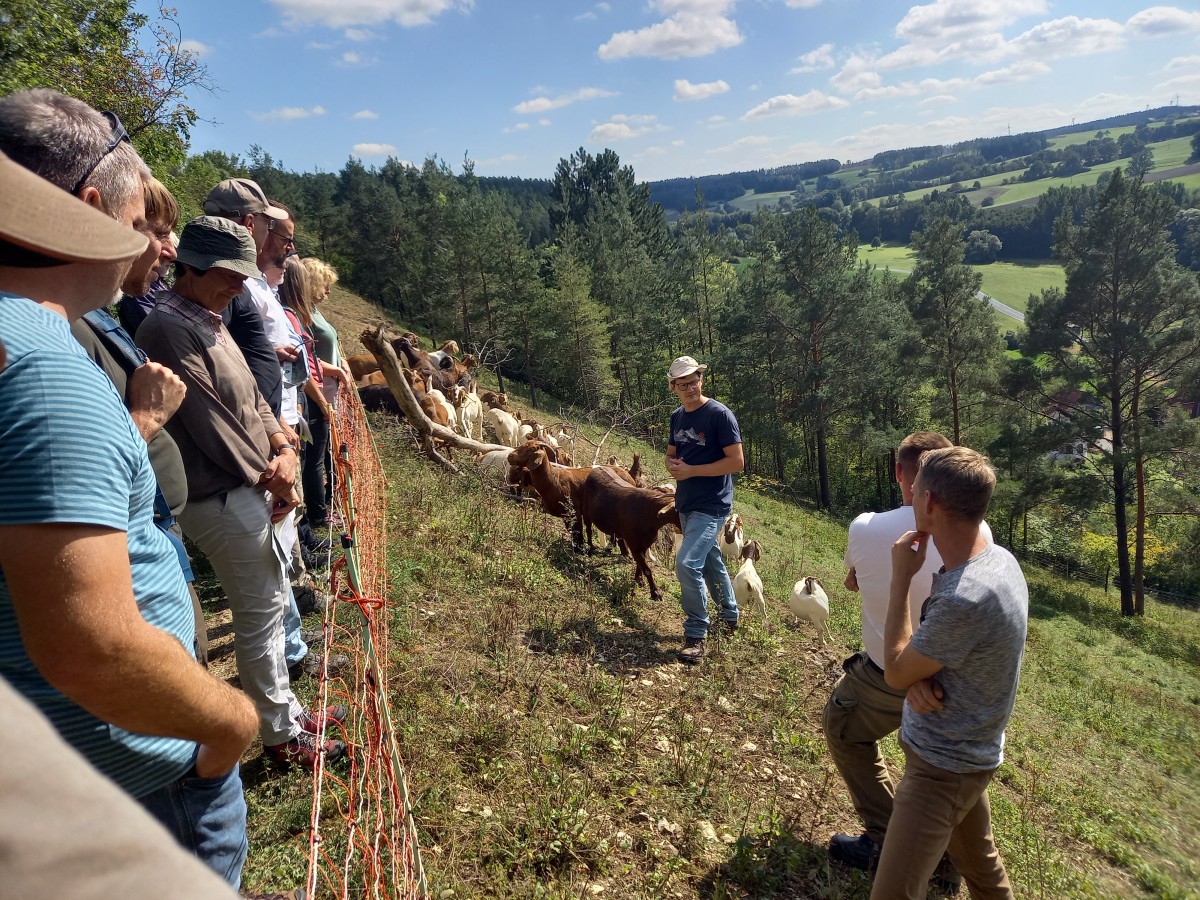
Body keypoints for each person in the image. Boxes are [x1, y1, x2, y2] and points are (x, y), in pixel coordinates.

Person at [0, 92, 258, 886]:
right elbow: (93, 646)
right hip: (135, 767)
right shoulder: (44, 373)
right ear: (90, 209)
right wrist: (228, 722)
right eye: (147, 218)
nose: (162, 241)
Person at [136, 215, 348, 769]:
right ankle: (281, 738)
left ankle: (288, 711)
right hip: (223, 496)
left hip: (253, 484)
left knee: (274, 604)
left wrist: (281, 443)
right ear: (194, 267)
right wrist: (270, 473)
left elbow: (252, 397)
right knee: (258, 615)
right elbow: (208, 420)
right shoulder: (167, 328)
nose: (238, 284)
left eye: (242, 273)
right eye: (230, 273)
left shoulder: (210, 316)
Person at [827, 432, 993, 893]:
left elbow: (853, 580)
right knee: (945, 772)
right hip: (952, 683)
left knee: (842, 726)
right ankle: (951, 859)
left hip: (886, 676)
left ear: (902, 474)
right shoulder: (982, 535)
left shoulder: (865, 526)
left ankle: (885, 835)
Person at [872, 446, 1027, 899]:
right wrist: (919, 676)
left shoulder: (966, 595)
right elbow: (944, 652)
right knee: (982, 874)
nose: (911, 497)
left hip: (943, 768)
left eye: (915, 490)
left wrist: (901, 576)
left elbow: (895, 673)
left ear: (930, 503)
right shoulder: (999, 561)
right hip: (970, 751)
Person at [664, 355, 744, 665]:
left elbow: (737, 462)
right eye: (682, 383)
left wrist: (693, 471)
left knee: (686, 563)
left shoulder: (719, 415)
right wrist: (671, 466)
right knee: (709, 559)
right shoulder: (677, 417)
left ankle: (696, 633)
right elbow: (671, 454)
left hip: (712, 505)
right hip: (686, 502)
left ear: (702, 379)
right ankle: (730, 613)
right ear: (673, 387)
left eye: (693, 380)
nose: (689, 387)